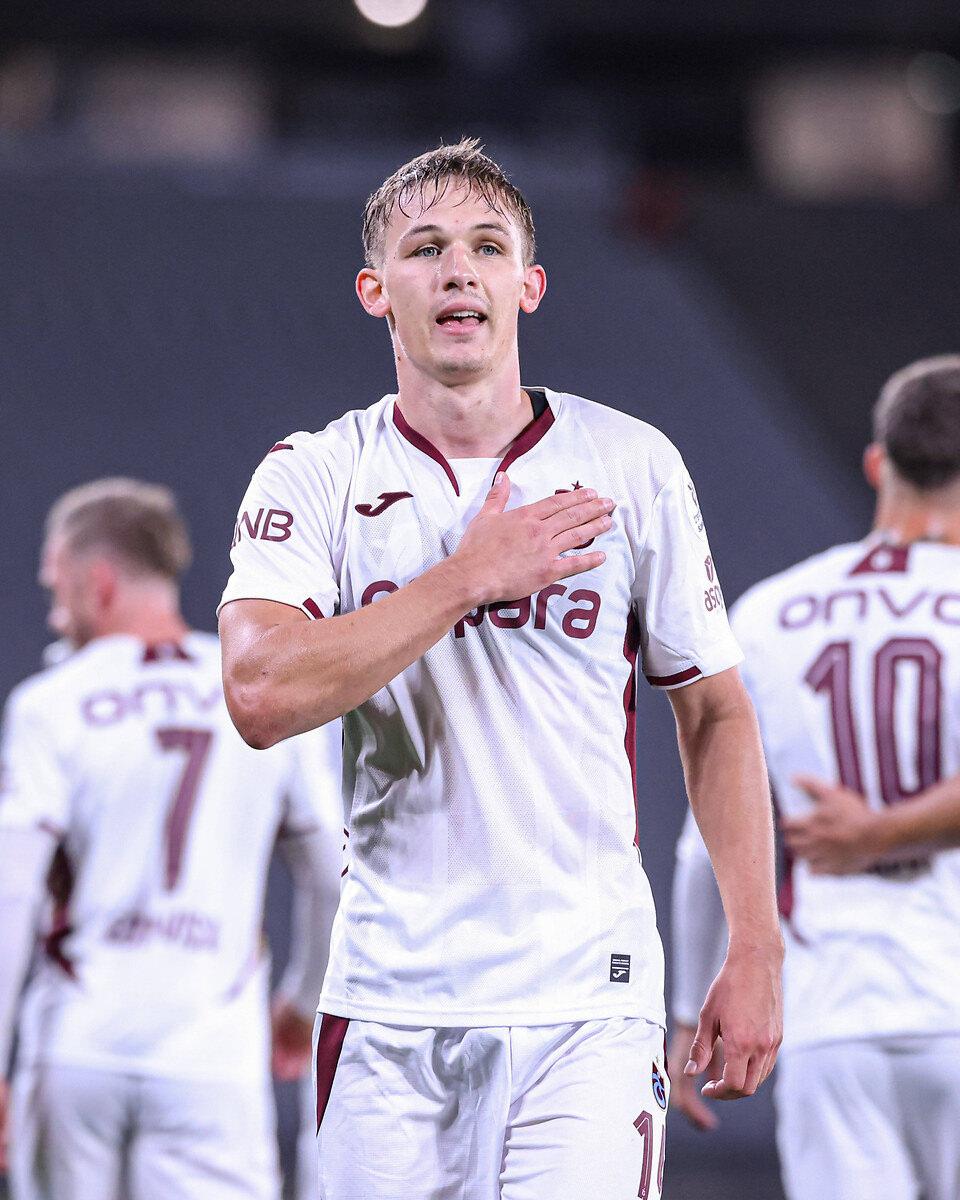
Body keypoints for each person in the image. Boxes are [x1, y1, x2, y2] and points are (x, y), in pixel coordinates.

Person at [218, 139, 783, 1200]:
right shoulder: (317, 473)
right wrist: (465, 577)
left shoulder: (631, 463)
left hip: (587, 995)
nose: (459, 271)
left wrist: (756, 947)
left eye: (487, 248)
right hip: (388, 998)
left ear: (529, 284)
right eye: (425, 249)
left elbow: (715, 712)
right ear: (376, 291)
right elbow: (259, 692)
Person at [0, 478, 342, 1200]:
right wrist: (304, 998)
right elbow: (329, 871)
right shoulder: (259, 694)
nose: (53, 609)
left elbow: (13, 891)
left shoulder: (51, 703)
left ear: (96, 583)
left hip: (77, 1042)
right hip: (211, 1050)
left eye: (55, 586)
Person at [669, 355, 960, 1200]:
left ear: (878, 464)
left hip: (834, 1016)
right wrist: (894, 830)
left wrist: (688, 1012)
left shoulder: (772, 611)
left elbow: (707, 843)